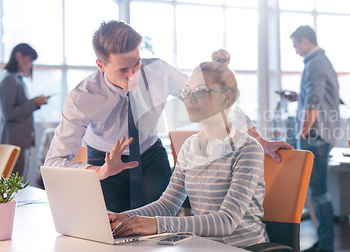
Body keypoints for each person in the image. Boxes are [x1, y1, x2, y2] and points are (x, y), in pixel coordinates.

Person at [45, 20, 290, 213]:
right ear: (100, 65)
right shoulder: (82, 98)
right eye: (123, 70)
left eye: (137, 63)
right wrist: (98, 171)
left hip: (150, 154)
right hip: (105, 160)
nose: (134, 75)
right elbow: (54, 161)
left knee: (159, 224)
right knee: (113, 229)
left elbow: (210, 99)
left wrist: (259, 139)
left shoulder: (158, 71)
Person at [109, 50, 268, 248]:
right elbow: (168, 205)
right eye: (187, 92)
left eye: (201, 91)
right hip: (205, 251)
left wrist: (157, 225)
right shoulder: (190, 147)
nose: (189, 99)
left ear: (227, 97)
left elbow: (226, 222)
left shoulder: (248, 150)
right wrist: (123, 217)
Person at [283, 25, 339, 252]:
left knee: (319, 193)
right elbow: (315, 97)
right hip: (321, 134)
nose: (296, 51)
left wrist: (302, 134)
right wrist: (299, 97)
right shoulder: (322, 61)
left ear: (305, 41)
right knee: (318, 193)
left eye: (296, 45)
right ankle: (323, 243)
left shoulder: (314, 63)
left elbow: (314, 102)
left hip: (314, 136)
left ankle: (327, 250)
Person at [0, 43, 50, 178]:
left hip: (19, 140)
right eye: (30, 60)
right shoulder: (9, 80)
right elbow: (8, 113)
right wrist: (33, 103)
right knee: (15, 184)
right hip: (14, 141)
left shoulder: (16, 79)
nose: (30, 65)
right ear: (18, 56)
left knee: (18, 182)